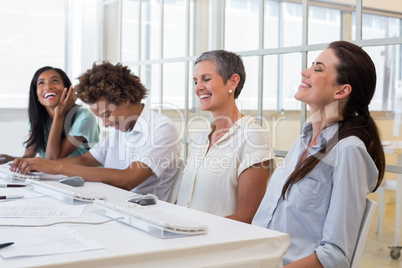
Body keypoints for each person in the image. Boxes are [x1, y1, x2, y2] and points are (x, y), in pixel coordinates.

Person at [252, 41, 385, 267]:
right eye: (311, 65)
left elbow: (335, 255)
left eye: (318, 68)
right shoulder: (302, 141)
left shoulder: (348, 151)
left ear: (341, 90)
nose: (305, 72)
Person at [11, 62, 181, 201]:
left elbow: (128, 179)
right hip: (112, 204)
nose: (105, 124)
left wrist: (56, 167)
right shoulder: (121, 129)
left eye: (106, 115)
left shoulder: (162, 129)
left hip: (144, 213)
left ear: (126, 99)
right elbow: (86, 159)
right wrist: (42, 165)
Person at [175, 50, 274, 223]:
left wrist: (192, 230)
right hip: (183, 238)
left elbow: (247, 217)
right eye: (196, 81)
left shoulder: (253, 136)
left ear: (233, 81)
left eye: (206, 79)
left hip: (216, 244)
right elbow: (184, 202)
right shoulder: (200, 139)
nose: (198, 88)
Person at [0, 66, 99, 163]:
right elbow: (28, 157)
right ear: (36, 94)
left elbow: (52, 161)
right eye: (41, 83)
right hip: (54, 178)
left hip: (85, 178)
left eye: (55, 81)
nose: (48, 87)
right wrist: (10, 159)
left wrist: (59, 114)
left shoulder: (84, 118)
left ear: (67, 89)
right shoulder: (37, 119)